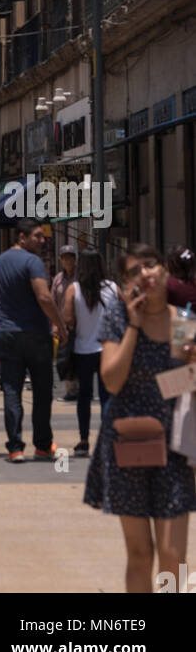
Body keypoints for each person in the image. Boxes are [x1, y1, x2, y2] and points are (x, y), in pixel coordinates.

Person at [84, 243, 196, 592]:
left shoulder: (184, 321)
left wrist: (194, 365)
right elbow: (112, 380)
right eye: (135, 271)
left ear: (164, 270)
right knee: (140, 553)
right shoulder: (117, 317)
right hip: (128, 443)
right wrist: (134, 326)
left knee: (173, 555)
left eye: (150, 265)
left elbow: (182, 386)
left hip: (173, 448)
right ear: (125, 283)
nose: (145, 274)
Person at [0, 219, 68, 463]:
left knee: (12, 391)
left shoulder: (1, 261)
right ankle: (43, 445)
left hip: (8, 334)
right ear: (22, 238)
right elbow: (44, 297)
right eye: (36, 236)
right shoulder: (33, 261)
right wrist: (60, 325)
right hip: (35, 334)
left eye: (42, 236)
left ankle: (15, 447)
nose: (42, 240)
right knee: (42, 392)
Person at [62, 248, 118, 456]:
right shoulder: (113, 288)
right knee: (107, 396)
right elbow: (124, 310)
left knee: (84, 396)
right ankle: (107, 439)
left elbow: (67, 319)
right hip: (108, 349)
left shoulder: (74, 289)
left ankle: (84, 440)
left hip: (83, 350)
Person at [52, 245, 79, 401]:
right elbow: (53, 302)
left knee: (78, 356)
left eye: (70, 257)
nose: (68, 260)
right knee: (64, 358)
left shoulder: (80, 277)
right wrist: (54, 325)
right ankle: (70, 389)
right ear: (61, 260)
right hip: (62, 325)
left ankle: (78, 388)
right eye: (65, 257)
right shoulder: (58, 279)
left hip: (79, 323)